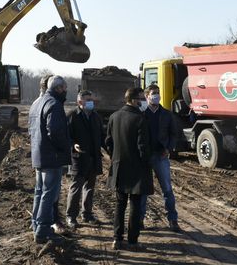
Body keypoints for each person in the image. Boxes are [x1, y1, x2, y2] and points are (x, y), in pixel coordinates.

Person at [105, 87, 153, 250]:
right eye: (140, 98)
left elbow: (108, 142)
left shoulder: (114, 116)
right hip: (137, 168)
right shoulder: (140, 119)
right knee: (135, 204)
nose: (143, 101)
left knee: (120, 204)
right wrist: (147, 163)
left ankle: (117, 239)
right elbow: (142, 146)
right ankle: (132, 241)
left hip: (119, 167)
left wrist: (115, 157)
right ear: (133, 100)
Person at [28, 75, 72, 244]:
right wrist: (64, 147)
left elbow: (31, 130)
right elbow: (54, 131)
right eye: (64, 88)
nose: (65, 91)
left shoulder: (37, 103)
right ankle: (43, 231)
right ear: (59, 88)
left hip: (39, 155)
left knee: (39, 192)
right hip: (51, 157)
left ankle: (36, 225)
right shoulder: (54, 104)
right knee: (49, 194)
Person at [139, 84, 182, 232]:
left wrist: (168, 148)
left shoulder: (167, 114)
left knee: (167, 189)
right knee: (143, 190)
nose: (156, 95)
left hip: (161, 156)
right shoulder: (141, 114)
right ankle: (139, 219)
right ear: (147, 96)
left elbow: (174, 134)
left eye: (158, 93)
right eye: (153, 93)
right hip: (145, 157)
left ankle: (173, 220)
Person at [65, 90, 105, 229]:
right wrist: (73, 145)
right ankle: (71, 216)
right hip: (79, 158)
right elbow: (66, 136)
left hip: (93, 157)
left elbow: (102, 136)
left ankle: (87, 214)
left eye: (92, 99)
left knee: (89, 187)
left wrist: (111, 151)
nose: (91, 102)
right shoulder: (72, 116)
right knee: (76, 188)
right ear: (79, 102)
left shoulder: (96, 117)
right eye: (88, 100)